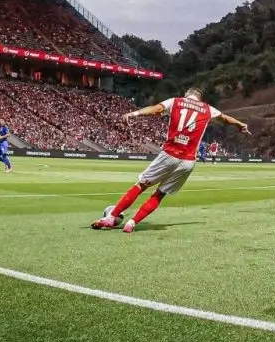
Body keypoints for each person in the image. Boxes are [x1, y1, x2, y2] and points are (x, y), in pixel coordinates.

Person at [92, 88, 250, 233]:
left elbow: (156, 109)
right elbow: (225, 118)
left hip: (169, 154)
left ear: (187, 95)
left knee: (141, 185)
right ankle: (132, 223)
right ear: (200, 99)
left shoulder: (176, 101)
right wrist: (239, 124)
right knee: (159, 194)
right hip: (188, 161)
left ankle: (111, 217)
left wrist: (135, 114)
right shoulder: (208, 109)